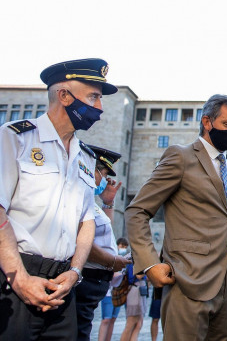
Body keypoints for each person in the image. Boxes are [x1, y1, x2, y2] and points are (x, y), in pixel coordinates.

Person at [0, 58, 117, 339]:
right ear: (64, 96)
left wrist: (75, 271)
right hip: (16, 277)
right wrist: (20, 279)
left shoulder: (86, 157)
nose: (99, 107)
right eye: (93, 97)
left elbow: (86, 221)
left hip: (64, 284)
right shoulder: (15, 138)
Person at [126, 94, 227, 340]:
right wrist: (149, 263)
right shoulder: (180, 157)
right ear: (207, 122)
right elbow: (137, 210)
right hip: (188, 280)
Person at [75, 145, 131, 341]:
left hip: (96, 281)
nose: (104, 180)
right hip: (86, 278)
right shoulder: (78, 196)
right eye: (104, 173)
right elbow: (82, 242)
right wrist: (112, 261)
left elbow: (105, 234)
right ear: (91, 169)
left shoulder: (92, 200)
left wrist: (107, 202)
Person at [99, 238, 131, 341]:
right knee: (106, 320)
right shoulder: (112, 257)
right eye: (122, 247)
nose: (123, 249)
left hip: (118, 291)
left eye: (125, 247)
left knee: (113, 319)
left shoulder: (122, 259)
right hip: (108, 293)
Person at [120, 257, 147, 341]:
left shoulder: (138, 258)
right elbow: (138, 275)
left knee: (138, 323)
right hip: (134, 291)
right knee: (131, 323)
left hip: (139, 290)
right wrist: (150, 267)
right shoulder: (135, 259)